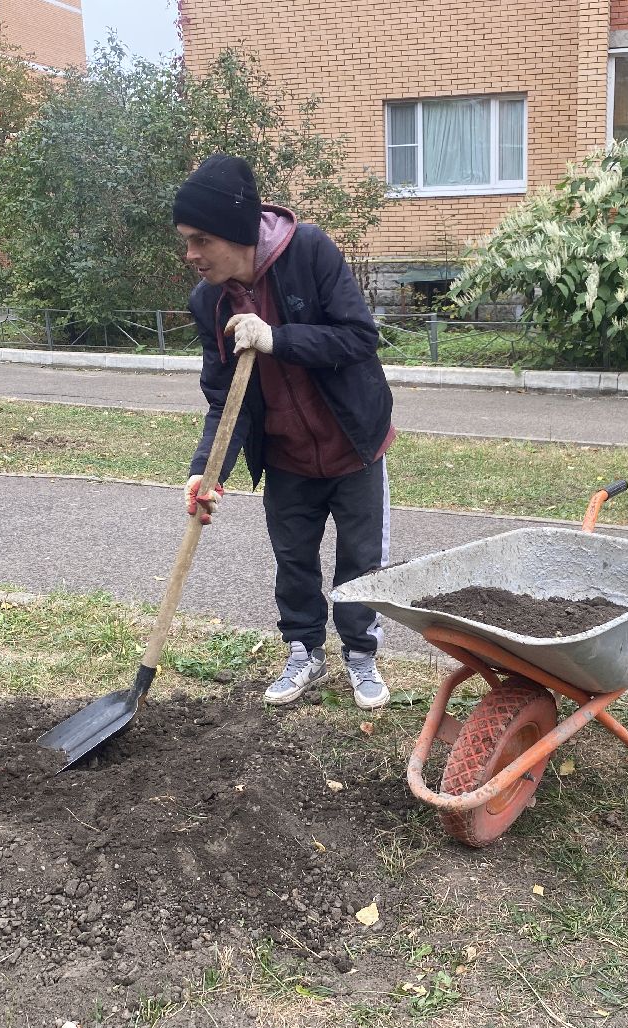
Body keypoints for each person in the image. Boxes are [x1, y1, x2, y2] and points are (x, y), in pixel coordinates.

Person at [174, 154, 395, 710]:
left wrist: (277, 339)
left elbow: (357, 338)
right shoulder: (209, 302)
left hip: (354, 444)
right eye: (186, 240)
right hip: (288, 457)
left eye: (201, 239)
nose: (191, 255)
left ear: (235, 230)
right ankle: (304, 650)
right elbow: (227, 400)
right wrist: (208, 470)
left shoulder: (310, 251)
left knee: (360, 559)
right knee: (293, 558)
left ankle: (360, 654)